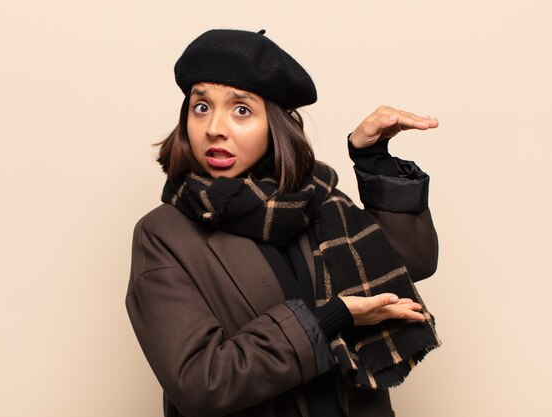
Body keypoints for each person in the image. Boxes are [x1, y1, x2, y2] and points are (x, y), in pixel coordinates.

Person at [126, 28, 440, 417]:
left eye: (241, 109)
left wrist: (372, 158)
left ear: (276, 124)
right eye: (201, 107)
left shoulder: (318, 201)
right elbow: (200, 383)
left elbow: (412, 264)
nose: (214, 128)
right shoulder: (163, 234)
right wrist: (332, 320)